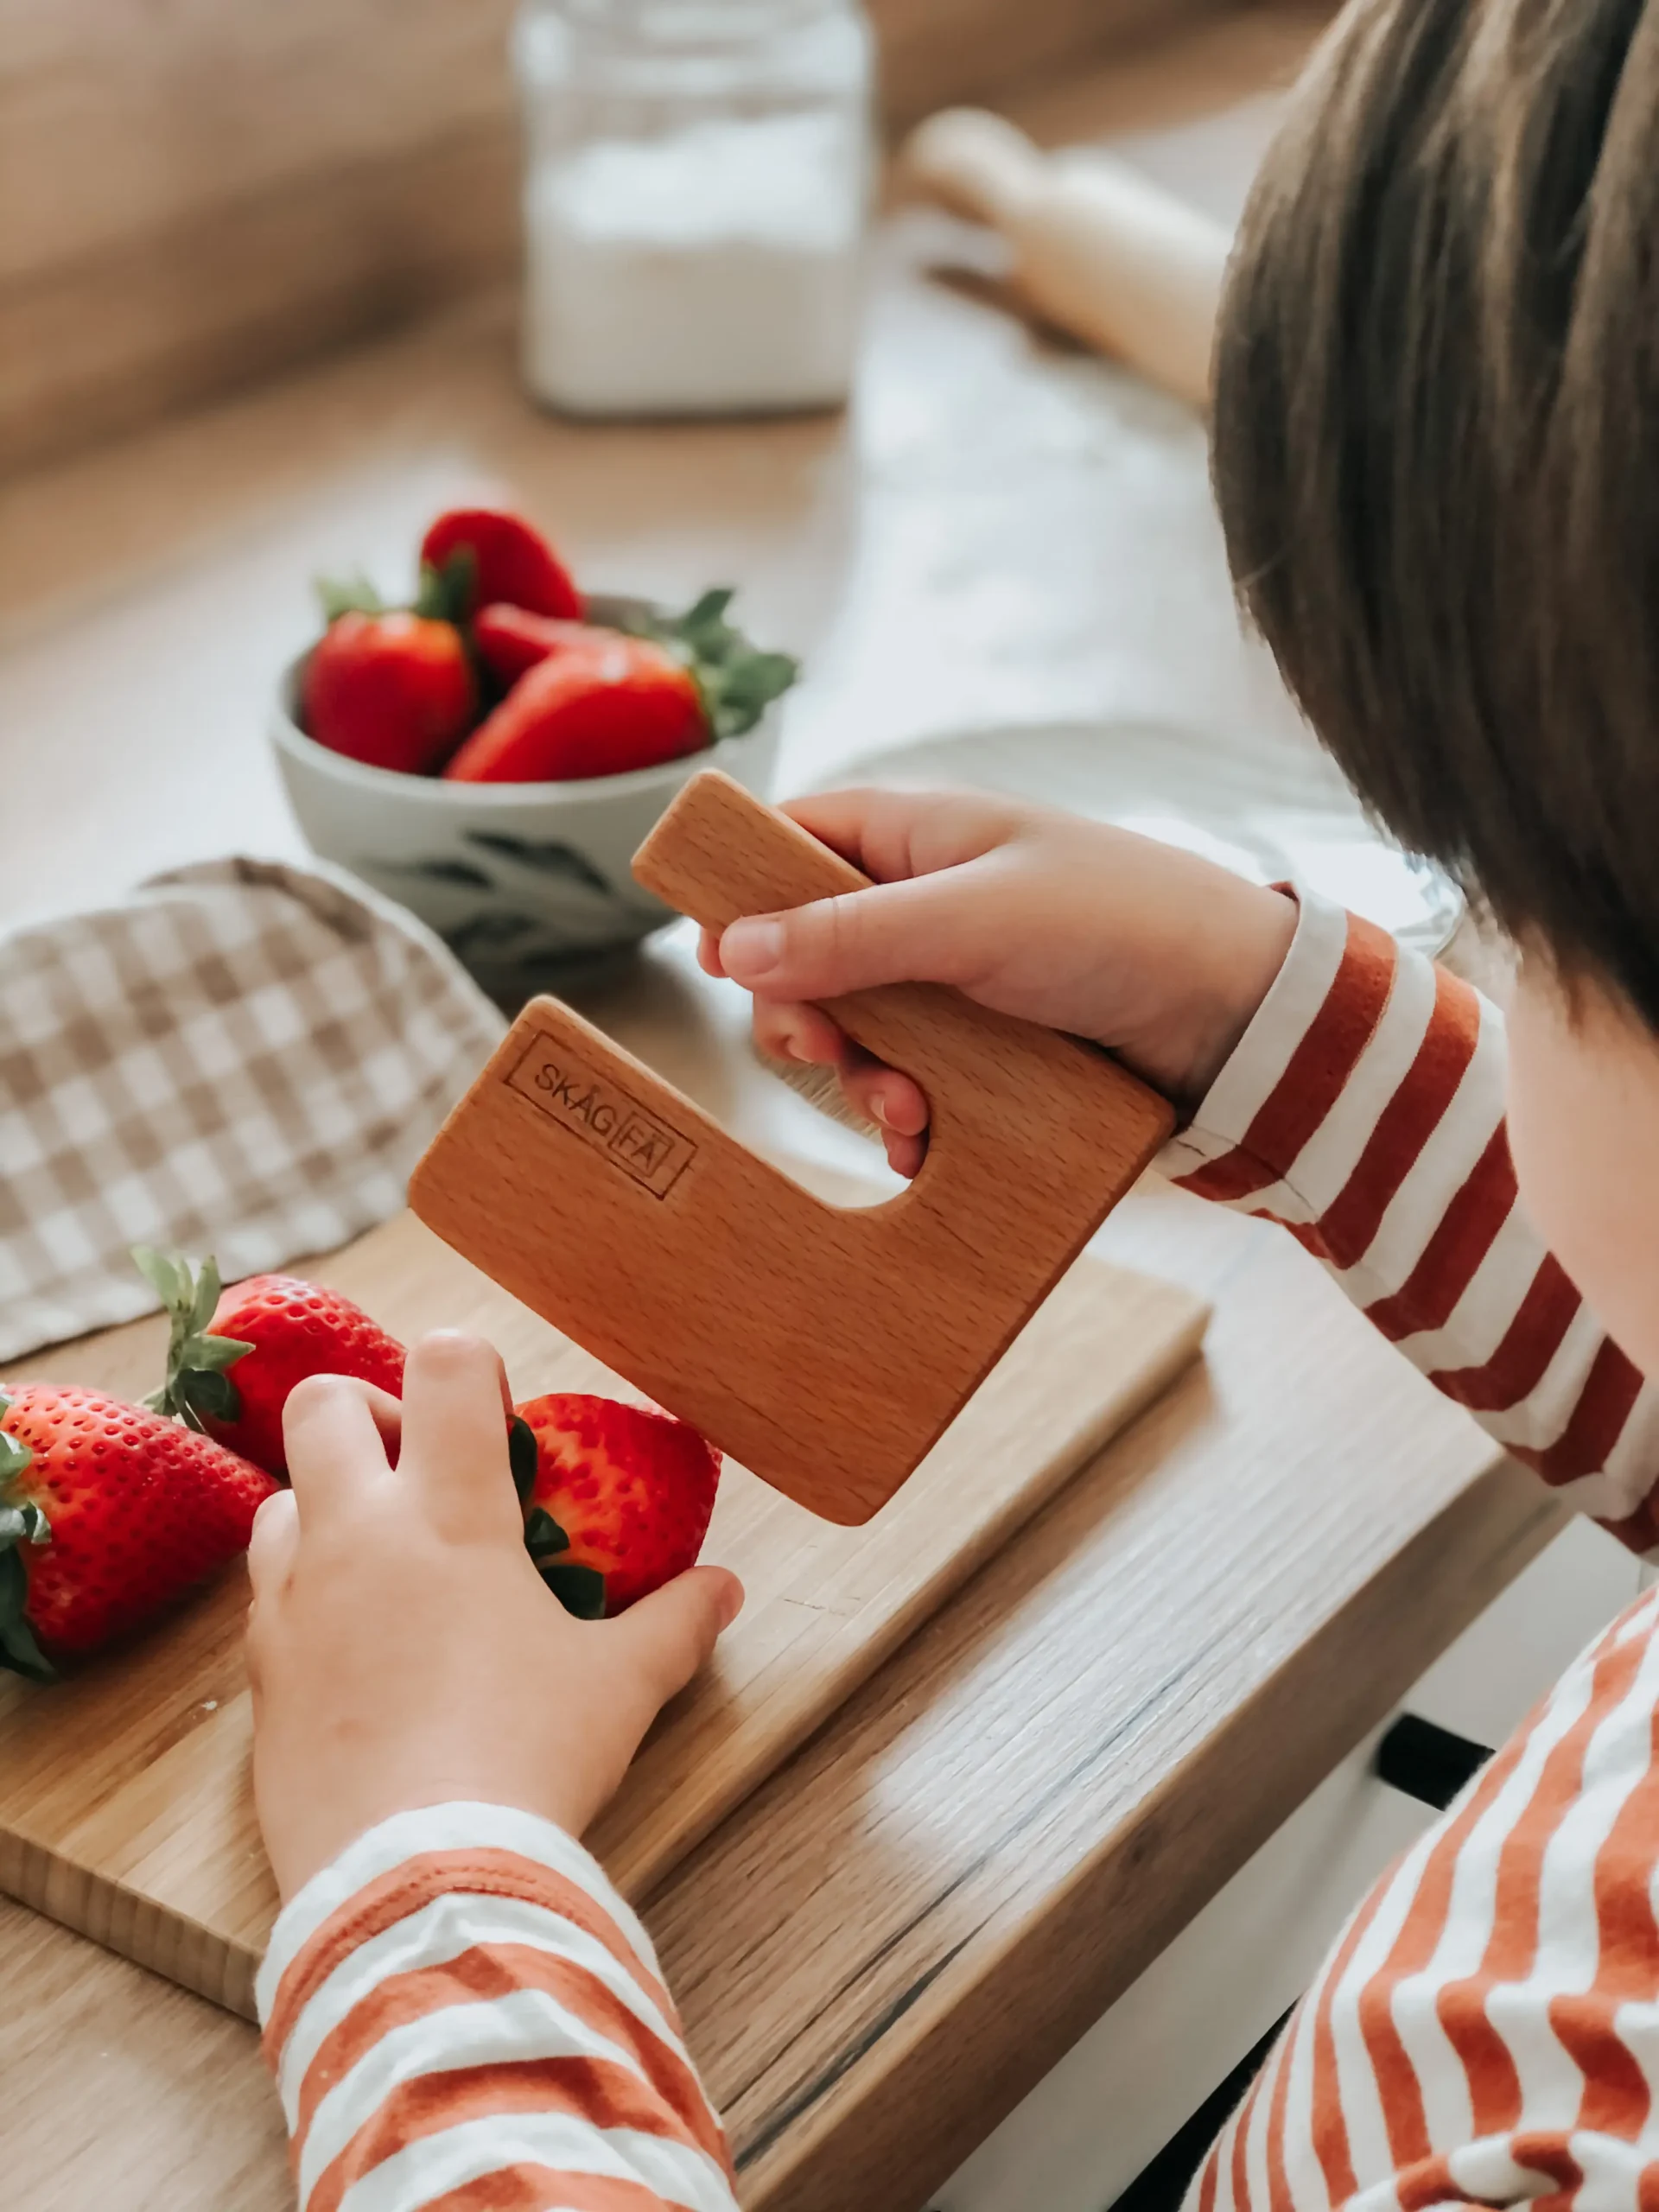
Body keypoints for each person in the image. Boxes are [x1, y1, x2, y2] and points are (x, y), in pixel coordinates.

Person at [248, 0, 1659, 2203]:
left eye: (1522, 906)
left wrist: (429, 1864)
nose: (1489, 947)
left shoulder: (1566, 2105)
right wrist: (1238, 1013)